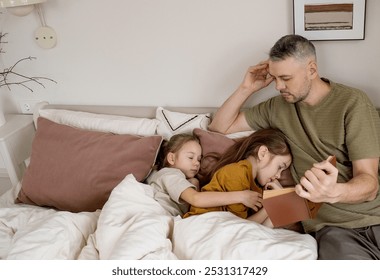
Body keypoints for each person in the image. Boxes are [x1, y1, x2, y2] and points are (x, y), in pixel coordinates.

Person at [208, 34, 380, 260]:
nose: (278, 86)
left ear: (311, 70)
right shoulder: (277, 108)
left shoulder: (353, 103)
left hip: (375, 218)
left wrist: (334, 191)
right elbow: (219, 127)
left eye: (286, 78)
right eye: (275, 78)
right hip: (334, 230)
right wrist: (246, 88)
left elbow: (370, 184)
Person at [183, 128, 292, 228]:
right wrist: (273, 204)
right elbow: (240, 226)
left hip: (216, 227)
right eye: (279, 167)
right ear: (263, 153)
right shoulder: (237, 173)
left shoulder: (253, 183)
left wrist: (278, 198)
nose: (278, 175)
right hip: (200, 225)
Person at [146, 133, 263, 218]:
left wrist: (194, 183)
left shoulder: (183, 180)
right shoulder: (169, 174)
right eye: (190, 157)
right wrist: (241, 196)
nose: (197, 163)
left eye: (199, 159)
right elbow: (195, 199)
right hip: (155, 216)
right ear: (171, 158)